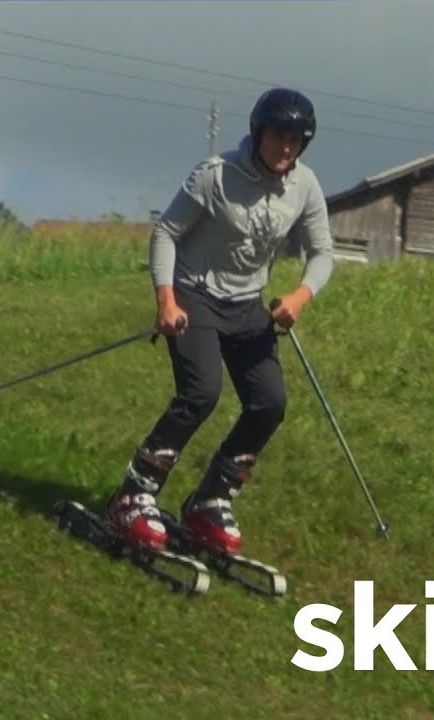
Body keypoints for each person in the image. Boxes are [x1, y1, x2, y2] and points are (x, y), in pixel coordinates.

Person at [106, 87, 335, 556]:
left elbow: (323, 253)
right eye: (279, 136)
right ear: (258, 132)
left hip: (248, 306)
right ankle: (134, 496)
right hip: (196, 296)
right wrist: (166, 301)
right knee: (201, 393)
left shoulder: (305, 185)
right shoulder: (215, 176)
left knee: (269, 402)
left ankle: (210, 501)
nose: (286, 147)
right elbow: (167, 233)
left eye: (297, 139)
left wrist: (299, 296)